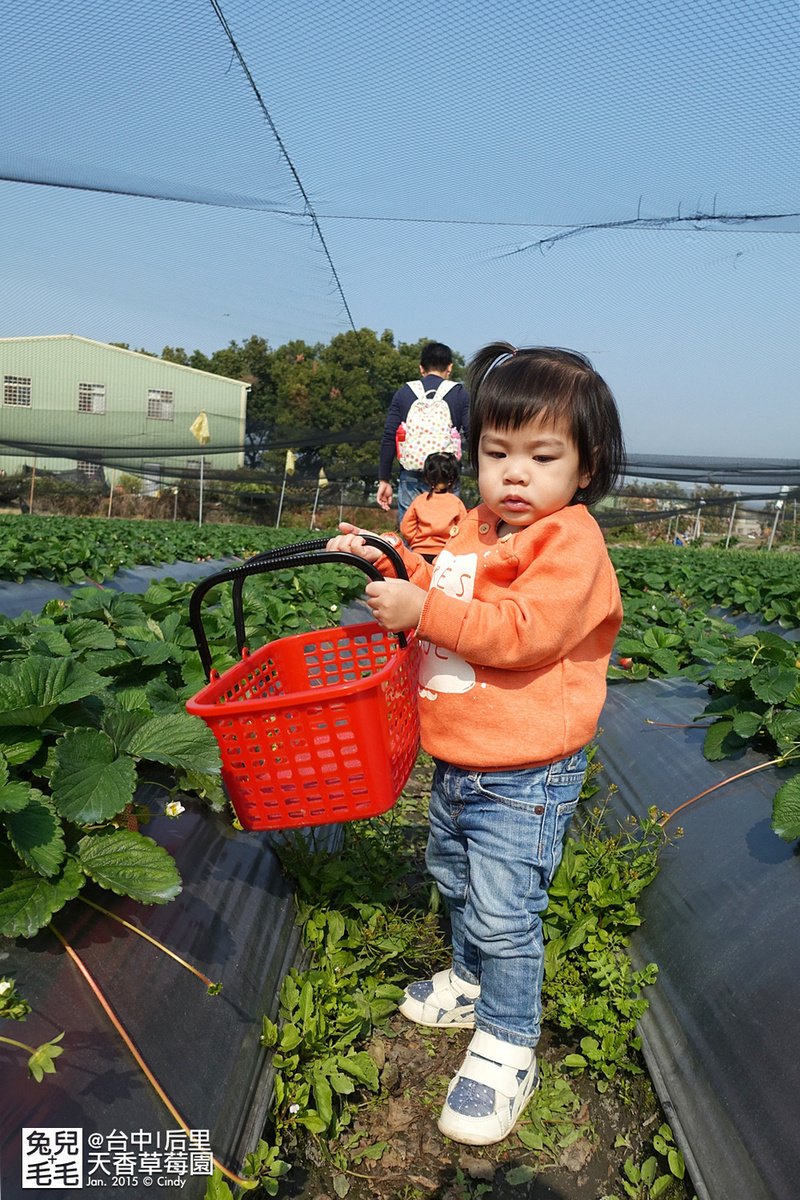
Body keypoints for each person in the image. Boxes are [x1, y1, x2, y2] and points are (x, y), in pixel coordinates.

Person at [328, 342, 625, 1146]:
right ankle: (467, 980)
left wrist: (419, 613)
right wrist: (384, 559)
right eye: (497, 454)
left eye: (542, 456)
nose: (515, 474)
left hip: (526, 773)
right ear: (474, 455)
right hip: (460, 759)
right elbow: (440, 586)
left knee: (506, 911)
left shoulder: (570, 544)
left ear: (586, 467)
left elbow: (524, 633)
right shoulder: (474, 527)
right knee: (453, 877)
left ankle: (508, 1039)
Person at [378, 342, 470, 523]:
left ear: (422, 368)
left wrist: (384, 479)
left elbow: (389, 436)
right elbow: (472, 435)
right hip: (447, 477)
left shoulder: (404, 393)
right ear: (449, 367)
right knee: (447, 534)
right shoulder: (459, 394)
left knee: (412, 534)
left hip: (411, 473)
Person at [400, 452, 468, 562]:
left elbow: (406, 528)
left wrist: (415, 542)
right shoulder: (456, 502)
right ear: (454, 479)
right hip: (446, 554)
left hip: (420, 553)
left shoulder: (420, 500)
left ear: (427, 478)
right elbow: (464, 529)